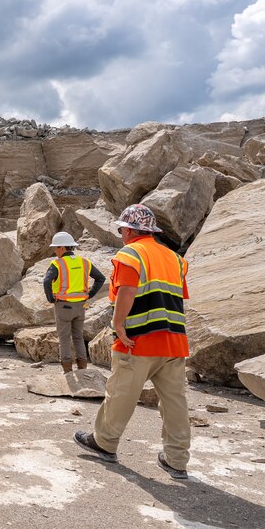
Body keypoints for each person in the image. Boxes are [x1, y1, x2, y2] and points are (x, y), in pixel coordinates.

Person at [74, 204, 192, 480]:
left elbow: (127, 290)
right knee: (175, 401)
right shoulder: (175, 259)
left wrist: (117, 324)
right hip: (174, 340)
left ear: (128, 230)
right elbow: (175, 296)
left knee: (121, 394)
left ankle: (105, 442)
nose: (120, 234)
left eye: (121, 230)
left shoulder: (130, 254)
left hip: (138, 340)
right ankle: (177, 460)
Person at [43, 232, 106, 373]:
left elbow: (47, 281)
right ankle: (82, 368)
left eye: (56, 248)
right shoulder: (84, 262)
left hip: (63, 305)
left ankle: (67, 370)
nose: (54, 251)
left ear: (62, 248)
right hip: (80, 306)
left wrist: (50, 298)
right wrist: (90, 294)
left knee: (64, 338)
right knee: (78, 336)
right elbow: (101, 278)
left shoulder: (57, 264)